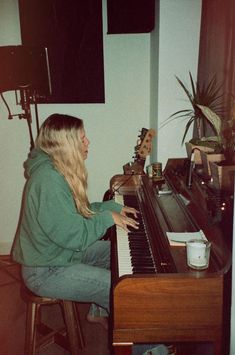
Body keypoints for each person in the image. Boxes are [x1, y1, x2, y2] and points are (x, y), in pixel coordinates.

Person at [12, 113, 139, 329]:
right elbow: (75, 236)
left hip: (58, 254)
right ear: (66, 145)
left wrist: (113, 208)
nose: (88, 142)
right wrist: (108, 218)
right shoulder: (48, 181)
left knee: (116, 254)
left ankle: (98, 311)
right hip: (45, 270)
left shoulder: (56, 170)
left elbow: (80, 212)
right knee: (118, 288)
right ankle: (147, 349)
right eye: (82, 139)